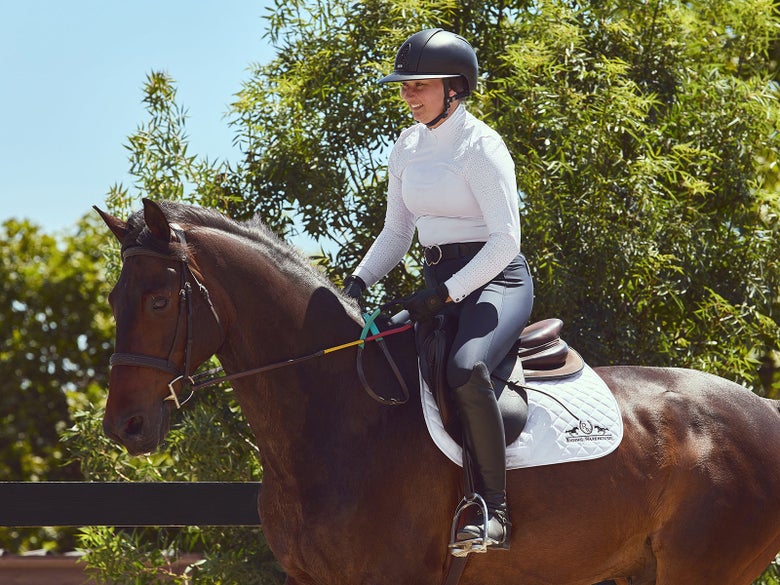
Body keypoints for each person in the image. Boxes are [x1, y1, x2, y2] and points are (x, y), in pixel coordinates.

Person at [342, 28, 534, 553]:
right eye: (404, 86)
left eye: (419, 85)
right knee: (378, 353)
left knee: (466, 368)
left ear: (455, 87)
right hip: (439, 286)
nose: (408, 95)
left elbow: (506, 240)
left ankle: (493, 511)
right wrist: (358, 282)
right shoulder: (406, 147)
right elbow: (397, 232)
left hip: (496, 280)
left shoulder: (481, 146)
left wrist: (446, 294)